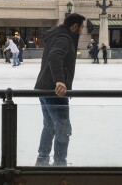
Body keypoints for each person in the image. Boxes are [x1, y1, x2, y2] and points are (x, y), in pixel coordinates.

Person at [34, 13, 85, 167]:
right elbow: (55, 56)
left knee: (49, 126)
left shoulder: (57, 35)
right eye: (81, 27)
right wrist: (60, 81)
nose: (82, 31)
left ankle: (42, 160)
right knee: (63, 127)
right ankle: (59, 164)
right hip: (55, 91)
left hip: (44, 88)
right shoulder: (65, 38)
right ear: (74, 26)